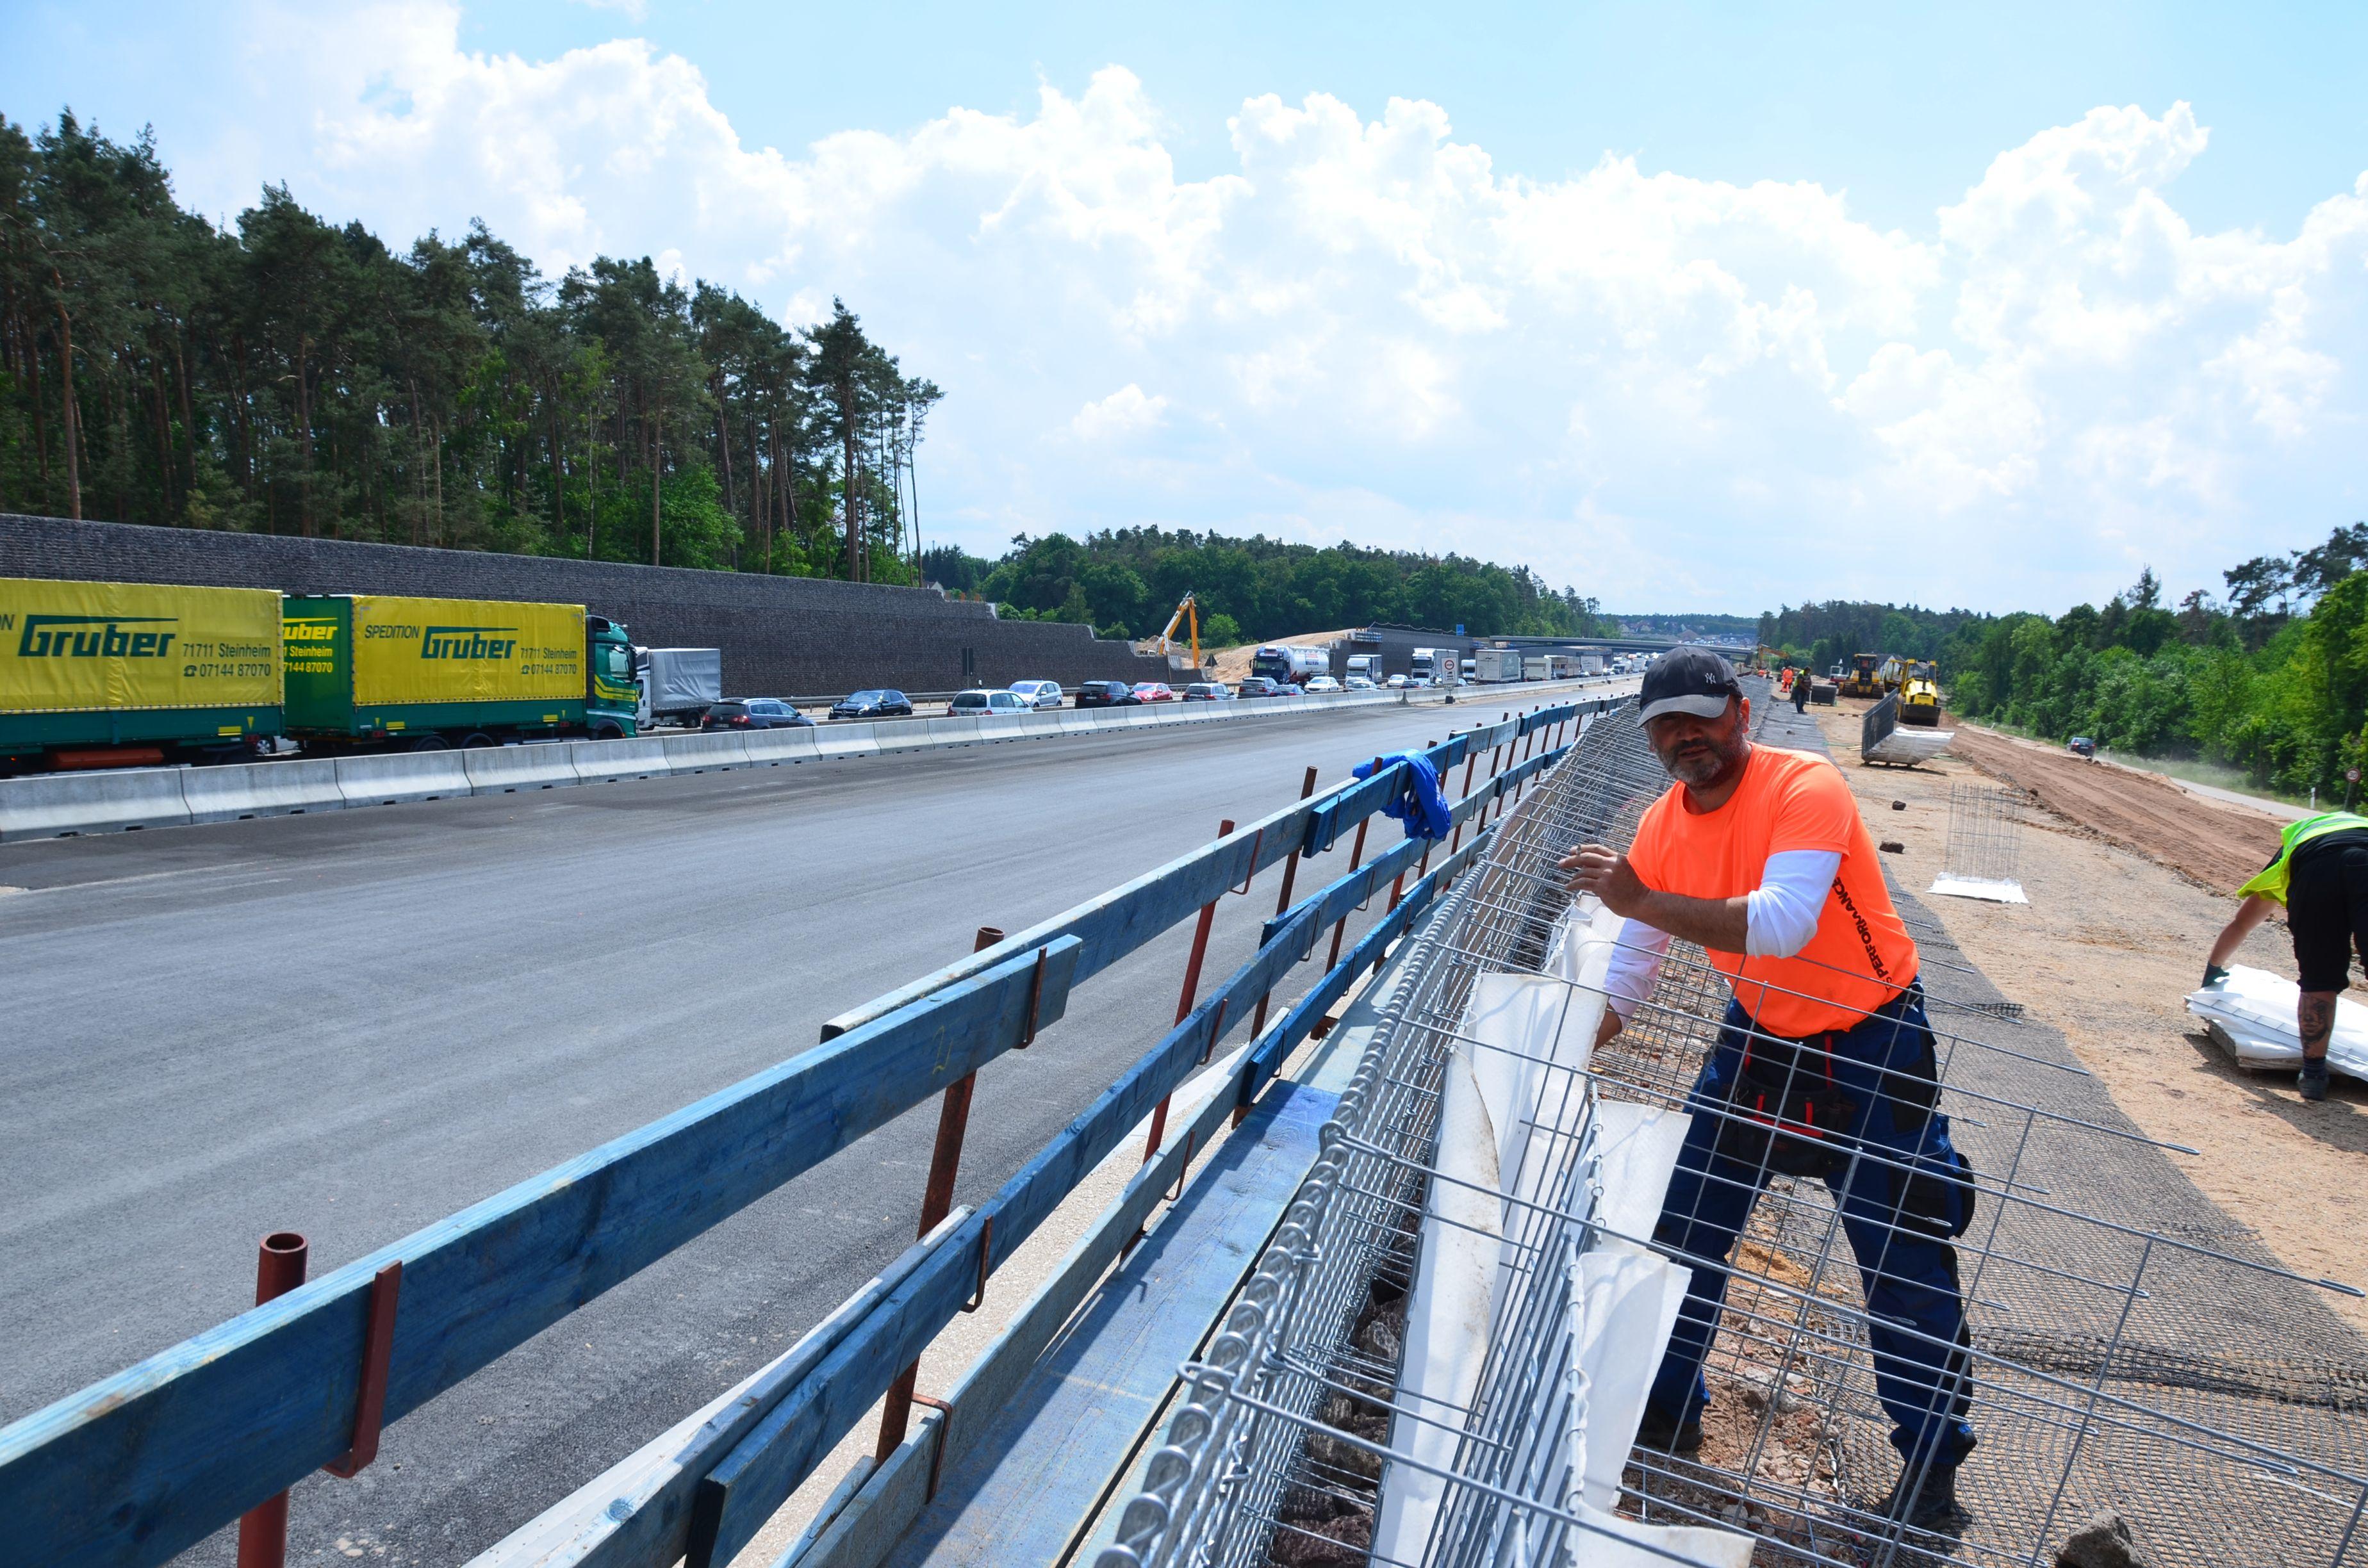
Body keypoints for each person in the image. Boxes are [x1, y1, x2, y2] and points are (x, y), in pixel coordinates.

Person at [1559, 646, 1978, 1533]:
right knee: (1683, 1230)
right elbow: (1633, 970)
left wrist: (1640, 900)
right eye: (1664, 725)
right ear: (1649, 738)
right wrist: (1559, 1049)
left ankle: (1931, 1471)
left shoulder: (1805, 787)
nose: (1684, 737)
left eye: (1699, 718)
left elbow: (1784, 923)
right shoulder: (1660, 829)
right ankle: (1668, 1409)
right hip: (1759, 1039)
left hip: (1871, 1040)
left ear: (1738, 715)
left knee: (1901, 1254)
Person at [2205, 808, 2368, 1101]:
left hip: (2319, 870)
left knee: (2320, 978)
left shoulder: (2295, 847)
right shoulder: (2360, 827)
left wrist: (2213, 967)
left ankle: (2315, 1075)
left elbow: (2243, 922)